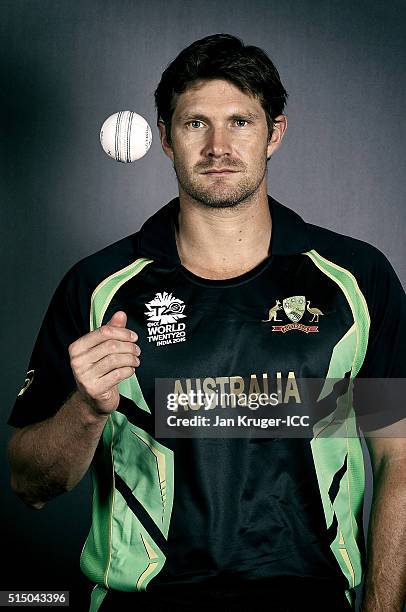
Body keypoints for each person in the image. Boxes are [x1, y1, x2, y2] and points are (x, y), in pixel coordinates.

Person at [6, 33, 406, 612]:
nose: (219, 145)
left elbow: (398, 451)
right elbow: (29, 484)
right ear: (165, 139)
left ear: (275, 133)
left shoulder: (355, 278)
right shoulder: (99, 287)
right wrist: (87, 409)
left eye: (240, 122)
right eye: (196, 124)